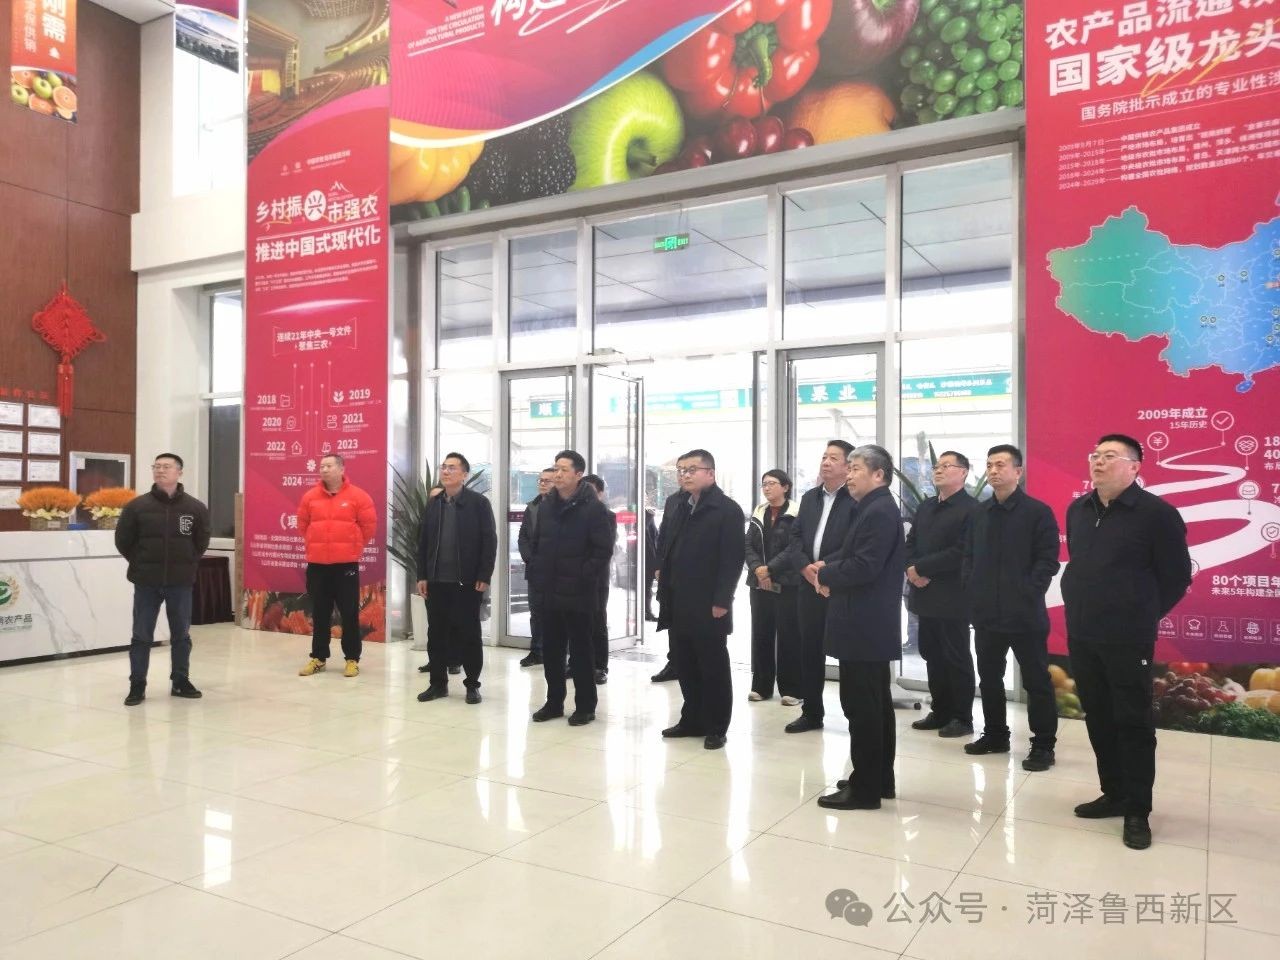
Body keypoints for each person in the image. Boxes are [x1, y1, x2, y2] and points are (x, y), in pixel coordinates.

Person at [1063, 434, 1191, 851]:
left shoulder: (1157, 514)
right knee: (1098, 716)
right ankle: (1114, 793)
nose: (1098, 462)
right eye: (1095, 455)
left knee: (1133, 722)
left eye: (1110, 456)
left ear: (1134, 467)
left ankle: (1138, 810)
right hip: (1083, 632)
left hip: (1128, 637)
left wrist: (1140, 613)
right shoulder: (1078, 509)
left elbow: (1176, 577)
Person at [814, 445, 905, 811]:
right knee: (873, 705)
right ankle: (878, 778)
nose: (848, 475)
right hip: (866, 623)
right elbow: (854, 554)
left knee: (863, 708)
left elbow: (865, 565)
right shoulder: (872, 507)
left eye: (855, 468)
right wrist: (829, 565)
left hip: (864, 624)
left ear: (878, 474)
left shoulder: (879, 510)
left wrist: (826, 574)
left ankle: (865, 789)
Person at [961, 444, 1060, 772]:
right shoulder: (979, 513)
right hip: (986, 614)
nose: (993, 471)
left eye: (1001, 465)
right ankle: (995, 735)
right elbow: (968, 555)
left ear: (1018, 471)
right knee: (989, 678)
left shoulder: (1037, 512)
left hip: (1025, 614)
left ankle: (1043, 744)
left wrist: (1027, 592)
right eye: (989, 465)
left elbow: (1047, 561)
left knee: (1036, 681)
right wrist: (971, 588)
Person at [656, 449, 745, 750]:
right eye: (681, 470)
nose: (685, 475)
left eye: (692, 469)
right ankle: (692, 719)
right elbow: (666, 544)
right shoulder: (678, 505)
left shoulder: (727, 510)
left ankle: (717, 726)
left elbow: (732, 560)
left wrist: (722, 600)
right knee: (685, 663)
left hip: (709, 602)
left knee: (712, 665)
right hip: (677, 598)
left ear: (711, 473)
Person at [116, 453, 211, 706]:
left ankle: (180, 680)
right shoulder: (137, 506)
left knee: (181, 634)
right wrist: (141, 562)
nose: (160, 470)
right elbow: (123, 540)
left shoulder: (195, 508)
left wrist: (187, 562)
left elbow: (201, 541)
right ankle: (137, 684)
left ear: (179, 472)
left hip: (180, 582)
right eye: (156, 466)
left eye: (166, 466)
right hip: (146, 582)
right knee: (141, 635)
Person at [529, 450, 613, 726]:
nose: (558, 474)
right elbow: (537, 544)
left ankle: (585, 706)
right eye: (556, 469)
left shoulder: (593, 508)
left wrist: (582, 576)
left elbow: (602, 551)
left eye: (564, 470)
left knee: (581, 652)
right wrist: (539, 573)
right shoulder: (547, 506)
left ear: (578, 475)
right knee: (552, 652)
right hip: (549, 591)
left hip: (579, 593)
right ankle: (554, 703)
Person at [781, 440, 857, 729]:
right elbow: (795, 537)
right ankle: (812, 712)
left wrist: (824, 567)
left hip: (839, 586)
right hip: (808, 585)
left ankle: (854, 716)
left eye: (834, 458)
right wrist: (805, 568)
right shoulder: (810, 497)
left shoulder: (855, 498)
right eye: (824, 456)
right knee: (810, 649)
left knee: (847, 652)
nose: (826, 462)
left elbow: (854, 543)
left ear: (848, 466)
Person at [905, 451, 979, 738]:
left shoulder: (972, 509)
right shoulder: (926, 506)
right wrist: (911, 568)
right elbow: (910, 542)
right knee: (932, 654)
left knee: (955, 656)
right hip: (924, 594)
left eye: (946, 466)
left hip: (952, 596)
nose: (939, 470)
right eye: (937, 466)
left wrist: (921, 568)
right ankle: (941, 711)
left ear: (963, 472)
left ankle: (962, 717)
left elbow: (962, 551)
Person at [415, 452, 497, 704]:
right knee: (436, 635)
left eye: (452, 467)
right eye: (444, 467)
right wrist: (422, 574)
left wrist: (484, 574)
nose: (446, 471)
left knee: (469, 635)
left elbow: (489, 540)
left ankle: (472, 685)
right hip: (436, 581)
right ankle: (437, 684)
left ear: (464, 474)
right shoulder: (434, 503)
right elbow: (423, 541)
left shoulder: (478, 503)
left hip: (467, 582)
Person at [297, 454, 377, 678]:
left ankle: (352, 659)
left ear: (342, 469)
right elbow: (303, 525)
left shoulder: (358, 496)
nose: (324, 469)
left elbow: (368, 527)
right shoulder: (310, 497)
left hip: (346, 566)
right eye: (322, 466)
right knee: (320, 612)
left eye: (329, 466)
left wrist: (351, 547)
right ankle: (318, 657)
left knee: (349, 613)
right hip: (317, 565)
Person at [744, 468, 801, 703]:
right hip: (759, 583)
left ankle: (792, 689)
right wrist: (759, 569)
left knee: (789, 635)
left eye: (772, 483)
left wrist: (770, 569)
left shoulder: (796, 513)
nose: (767, 488)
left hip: (788, 583)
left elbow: (795, 547)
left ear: (785, 487)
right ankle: (761, 686)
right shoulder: (759, 512)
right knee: (761, 633)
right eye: (764, 484)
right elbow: (748, 545)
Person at [517, 468, 556, 668]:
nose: (542, 483)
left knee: (558, 614)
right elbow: (523, 537)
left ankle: (559, 653)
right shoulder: (532, 507)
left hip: (558, 571)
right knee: (536, 613)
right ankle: (536, 651)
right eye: (540, 480)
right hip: (535, 569)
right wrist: (530, 559)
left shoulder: (564, 507)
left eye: (547, 481)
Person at [581, 474, 616, 685]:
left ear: (600, 493)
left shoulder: (607, 515)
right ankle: (578, 663)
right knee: (577, 623)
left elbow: (604, 548)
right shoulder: (573, 513)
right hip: (573, 578)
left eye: (591, 490)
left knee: (597, 622)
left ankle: (600, 666)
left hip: (597, 578)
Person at [643, 506, 659, 622]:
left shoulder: (648, 517)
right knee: (646, 588)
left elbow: (655, 538)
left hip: (649, 559)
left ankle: (647, 612)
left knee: (647, 588)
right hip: (646, 560)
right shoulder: (644, 517)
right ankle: (646, 612)